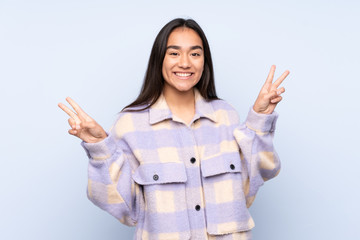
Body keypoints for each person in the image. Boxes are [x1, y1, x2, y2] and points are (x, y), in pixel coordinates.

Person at [58, 18, 289, 240]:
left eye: (195, 54)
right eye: (174, 53)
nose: (185, 62)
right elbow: (124, 206)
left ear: (204, 62)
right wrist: (100, 148)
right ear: (159, 59)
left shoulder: (225, 115)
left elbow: (252, 182)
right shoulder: (129, 124)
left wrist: (260, 118)